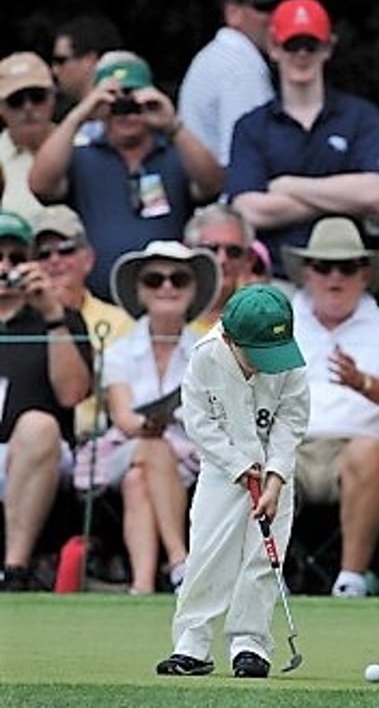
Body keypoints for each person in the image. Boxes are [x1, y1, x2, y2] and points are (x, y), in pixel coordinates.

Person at [156, 284, 308, 678]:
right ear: (228, 338)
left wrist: (274, 477)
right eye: (256, 355)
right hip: (223, 471)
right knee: (209, 553)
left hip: (276, 473)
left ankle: (250, 644)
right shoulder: (206, 356)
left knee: (261, 560)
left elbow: (291, 420)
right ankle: (192, 644)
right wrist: (238, 466)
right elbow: (198, 421)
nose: (264, 364)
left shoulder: (290, 361)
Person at [73, 241, 220, 594]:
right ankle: (180, 561)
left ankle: (141, 587)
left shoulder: (210, 350)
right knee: (151, 448)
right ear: (140, 291)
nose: (167, 287)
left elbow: (216, 417)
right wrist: (152, 426)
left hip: (190, 457)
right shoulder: (119, 349)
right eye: (155, 279)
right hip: (123, 450)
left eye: (178, 279)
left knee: (139, 480)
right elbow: (124, 419)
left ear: (193, 289)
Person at [284, 217, 379, 598]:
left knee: (366, 451)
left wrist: (364, 383)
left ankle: (350, 580)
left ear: (364, 274)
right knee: (253, 456)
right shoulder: (281, 323)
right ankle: (259, 579)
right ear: (307, 274)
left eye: (346, 267)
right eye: (323, 267)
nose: (334, 277)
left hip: (363, 449)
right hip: (290, 446)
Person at [28, 51, 225, 299]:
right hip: (95, 306)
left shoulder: (176, 153)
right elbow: (40, 185)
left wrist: (173, 125)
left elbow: (213, 185)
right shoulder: (82, 156)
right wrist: (80, 114)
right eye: (116, 106)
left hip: (164, 295)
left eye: (134, 104)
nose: (127, 113)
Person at [226, 0, 379, 275]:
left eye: (310, 44)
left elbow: (375, 192)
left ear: (328, 48)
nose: (302, 55)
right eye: (292, 45)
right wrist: (344, 201)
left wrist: (288, 185)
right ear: (274, 47)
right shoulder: (250, 126)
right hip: (274, 278)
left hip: (346, 277)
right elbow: (248, 211)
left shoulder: (361, 116)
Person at [0, 210, 93, 591]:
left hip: (40, 453)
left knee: (38, 426)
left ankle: (14, 569)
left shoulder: (62, 319)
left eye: (17, 258)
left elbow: (72, 393)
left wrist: (52, 315)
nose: (5, 266)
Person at [30, 205, 135, 439]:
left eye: (66, 250)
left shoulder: (120, 321)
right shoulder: (23, 323)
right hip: (43, 438)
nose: (54, 260)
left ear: (88, 259)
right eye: (43, 254)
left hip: (101, 436)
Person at [178, 0, 289, 166]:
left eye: (280, 7)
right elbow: (245, 157)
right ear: (233, 13)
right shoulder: (238, 67)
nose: (275, 16)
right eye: (264, 8)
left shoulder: (223, 55)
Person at [0, 52, 57, 218]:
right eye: (16, 100)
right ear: (1, 107)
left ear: (52, 98)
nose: (28, 107)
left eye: (37, 97)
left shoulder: (80, 146)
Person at [184, 203, 255, 332]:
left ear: (247, 258)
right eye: (211, 249)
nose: (222, 260)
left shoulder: (259, 313)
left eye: (234, 251)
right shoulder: (164, 299)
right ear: (189, 250)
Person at [49, 15, 123, 113]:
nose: (54, 70)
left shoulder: (124, 115)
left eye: (61, 61)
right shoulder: (61, 115)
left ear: (90, 60)